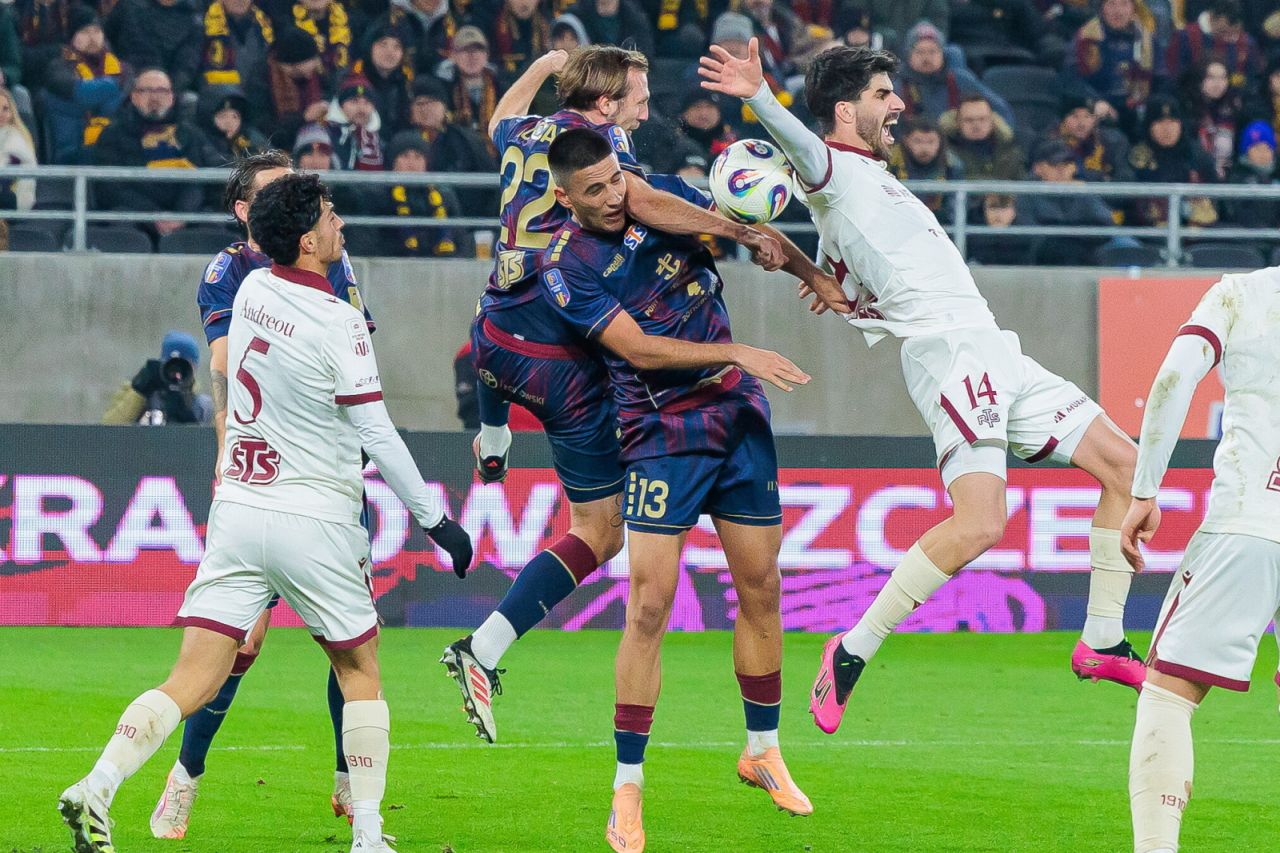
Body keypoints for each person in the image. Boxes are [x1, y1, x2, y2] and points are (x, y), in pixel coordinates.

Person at [699, 41, 1146, 736]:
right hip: (951, 355)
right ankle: (851, 650)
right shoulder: (832, 168)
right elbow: (801, 147)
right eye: (883, 94)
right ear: (846, 111)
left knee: (1126, 464)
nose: (899, 104)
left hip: (994, 347)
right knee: (981, 523)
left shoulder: (867, 186)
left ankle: (1103, 637)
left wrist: (809, 269)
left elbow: (842, 288)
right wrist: (759, 96)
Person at [59, 172, 474, 853]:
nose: (341, 222)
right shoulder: (339, 319)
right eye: (332, 214)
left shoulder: (252, 290)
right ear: (309, 239)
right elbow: (377, 434)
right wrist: (437, 520)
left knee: (191, 677)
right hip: (314, 514)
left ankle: (98, 785)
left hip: (240, 510)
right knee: (360, 669)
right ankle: (368, 835)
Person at [439, 45, 838, 745]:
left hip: (493, 339)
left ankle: (495, 438)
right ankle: (483, 647)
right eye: (637, 99)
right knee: (600, 528)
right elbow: (646, 202)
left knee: (522, 406)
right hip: (557, 345)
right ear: (604, 109)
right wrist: (736, 228)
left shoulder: (526, 136)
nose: (647, 111)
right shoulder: (606, 159)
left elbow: (503, 112)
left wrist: (543, 63)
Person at [541, 128, 817, 852]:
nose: (611, 197)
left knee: (762, 585)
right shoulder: (567, 266)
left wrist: (811, 276)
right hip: (663, 432)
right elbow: (636, 349)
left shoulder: (662, 200)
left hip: (737, 416)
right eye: (594, 190)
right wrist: (735, 347)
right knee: (650, 604)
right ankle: (626, 789)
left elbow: (747, 232)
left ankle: (762, 748)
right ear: (565, 198)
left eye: (616, 181)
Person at [148, 152, 374, 841]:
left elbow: (361, 342)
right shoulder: (229, 272)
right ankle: (185, 773)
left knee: (353, 638)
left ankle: (348, 775)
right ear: (246, 210)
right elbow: (220, 361)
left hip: (330, 475)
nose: (300, 200)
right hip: (255, 474)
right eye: (278, 192)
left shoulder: (337, 262)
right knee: (238, 643)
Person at [1120, 268, 1280, 853]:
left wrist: (1143, 490)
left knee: (1166, 695)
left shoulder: (1242, 292)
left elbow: (1174, 376)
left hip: (1252, 521)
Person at [91, 68, 217, 238]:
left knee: (214, 223)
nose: (155, 97)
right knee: (119, 223)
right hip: (135, 216)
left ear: (172, 97)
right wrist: (152, 216)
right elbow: (110, 188)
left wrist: (182, 215)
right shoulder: (112, 135)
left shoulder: (190, 134)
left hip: (184, 218)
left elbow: (197, 182)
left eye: (162, 91)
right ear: (134, 97)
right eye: (147, 91)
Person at [102, 331, 213, 426]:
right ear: (162, 364)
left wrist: (186, 404)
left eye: (184, 366)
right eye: (172, 365)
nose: (177, 373)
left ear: (194, 368)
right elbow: (108, 430)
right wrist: (140, 390)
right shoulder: (140, 392)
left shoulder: (203, 405)